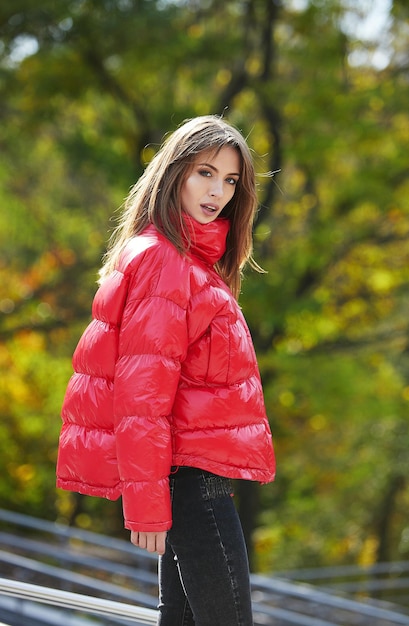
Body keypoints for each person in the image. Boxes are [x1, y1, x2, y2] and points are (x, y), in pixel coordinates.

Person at [56, 114, 276, 626]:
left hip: (189, 479)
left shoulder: (187, 261)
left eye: (230, 180)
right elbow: (141, 393)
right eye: (205, 172)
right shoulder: (167, 262)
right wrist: (147, 503)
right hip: (191, 482)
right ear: (174, 172)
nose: (217, 191)